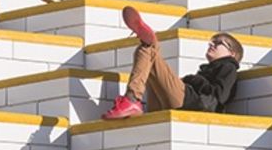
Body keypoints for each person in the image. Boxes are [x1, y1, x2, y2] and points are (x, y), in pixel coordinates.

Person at [102, 6, 243, 119]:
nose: (212, 45)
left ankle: (132, 99)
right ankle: (132, 100)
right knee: (147, 53)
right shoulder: (210, 69)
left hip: (190, 104)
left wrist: (192, 79)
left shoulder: (228, 67)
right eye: (211, 42)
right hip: (181, 104)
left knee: (150, 48)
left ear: (232, 53)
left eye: (218, 43)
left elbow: (219, 95)